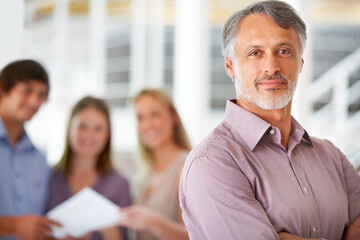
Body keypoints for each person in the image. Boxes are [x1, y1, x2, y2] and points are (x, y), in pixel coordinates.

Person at [179, 1, 360, 240]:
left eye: (284, 51)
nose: (271, 67)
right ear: (230, 65)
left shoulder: (331, 157)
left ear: (301, 63)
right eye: (255, 53)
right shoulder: (212, 162)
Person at [45, 96, 131, 240]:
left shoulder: (120, 184)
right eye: (82, 126)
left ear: (107, 135)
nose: (89, 135)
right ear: (69, 128)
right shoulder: (49, 177)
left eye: (98, 128)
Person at [117, 88, 191, 240]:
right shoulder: (145, 174)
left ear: (173, 117)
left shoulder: (186, 166)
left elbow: (194, 235)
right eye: (140, 118)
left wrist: (153, 222)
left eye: (154, 115)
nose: (147, 125)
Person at [0, 59, 60, 240]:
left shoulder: (40, 161)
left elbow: (36, 227)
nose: (34, 101)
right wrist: (11, 226)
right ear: (2, 89)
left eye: (41, 95)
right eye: (27, 90)